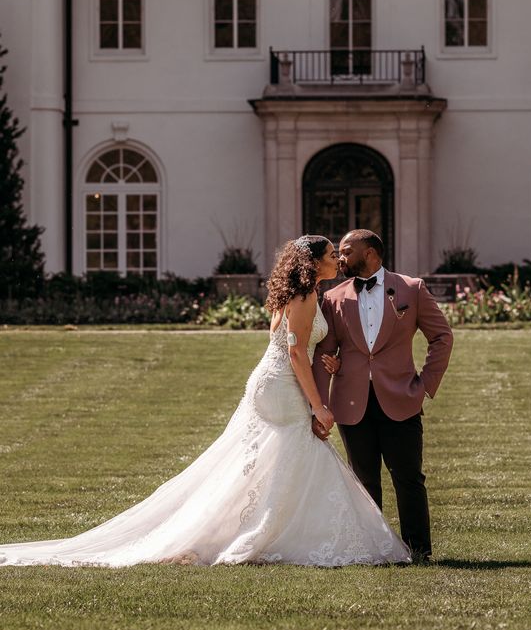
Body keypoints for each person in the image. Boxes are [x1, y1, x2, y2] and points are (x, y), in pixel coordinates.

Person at [0, 236, 411, 567]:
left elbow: (292, 345)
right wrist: (319, 404)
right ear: (313, 262)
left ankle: (265, 527)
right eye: (329, 255)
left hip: (269, 382)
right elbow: (295, 352)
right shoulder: (304, 298)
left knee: (275, 460)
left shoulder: (299, 294)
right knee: (301, 453)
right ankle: (269, 533)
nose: (336, 261)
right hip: (282, 384)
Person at [312, 229, 453, 563]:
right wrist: (320, 403)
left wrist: (425, 385)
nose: (340, 258)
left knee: (408, 478)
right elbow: (323, 353)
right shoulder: (334, 297)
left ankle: (419, 550)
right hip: (351, 402)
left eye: (346, 251)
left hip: (402, 398)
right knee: (363, 481)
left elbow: (442, 337)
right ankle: (372, 550)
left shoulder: (411, 289)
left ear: (371, 253)